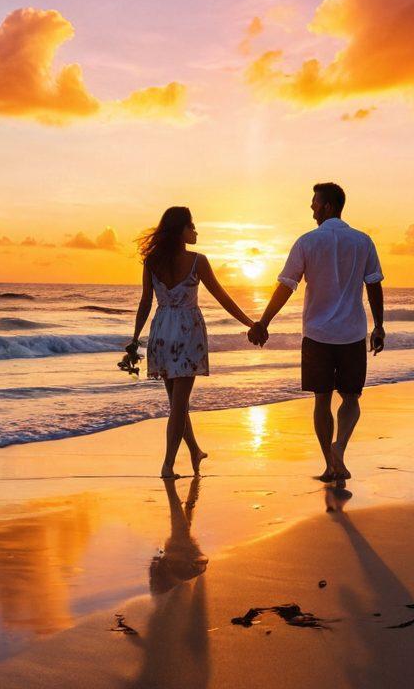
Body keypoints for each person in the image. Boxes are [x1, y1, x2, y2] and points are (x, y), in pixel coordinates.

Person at [248, 182, 385, 484]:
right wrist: (379, 325)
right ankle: (339, 451)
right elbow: (373, 284)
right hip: (351, 332)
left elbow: (287, 284)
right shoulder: (363, 241)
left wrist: (264, 321)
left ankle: (330, 463)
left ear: (328, 206)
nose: (311, 209)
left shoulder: (307, 242)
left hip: (318, 334)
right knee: (351, 397)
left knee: (321, 400)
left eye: (315, 204)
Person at [126, 206, 257, 478]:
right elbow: (222, 296)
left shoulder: (152, 262)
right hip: (187, 334)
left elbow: (145, 302)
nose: (195, 231)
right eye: (191, 226)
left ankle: (195, 451)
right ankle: (168, 465)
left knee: (177, 404)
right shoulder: (198, 261)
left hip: (161, 333)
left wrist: (135, 338)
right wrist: (250, 323)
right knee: (179, 406)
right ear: (180, 231)